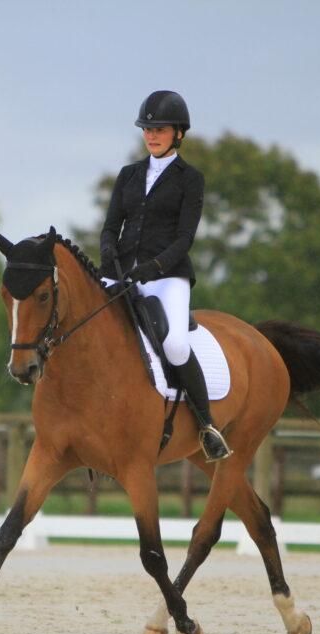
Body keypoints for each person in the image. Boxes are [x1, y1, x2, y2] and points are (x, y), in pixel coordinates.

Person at [99, 90, 231, 462]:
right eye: (147, 129)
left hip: (167, 275)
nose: (152, 135)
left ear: (179, 133)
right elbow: (111, 227)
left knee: (174, 344)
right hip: (122, 273)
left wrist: (153, 268)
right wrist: (109, 251)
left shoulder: (191, 179)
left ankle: (206, 425)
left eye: (160, 129)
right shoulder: (128, 175)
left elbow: (185, 238)